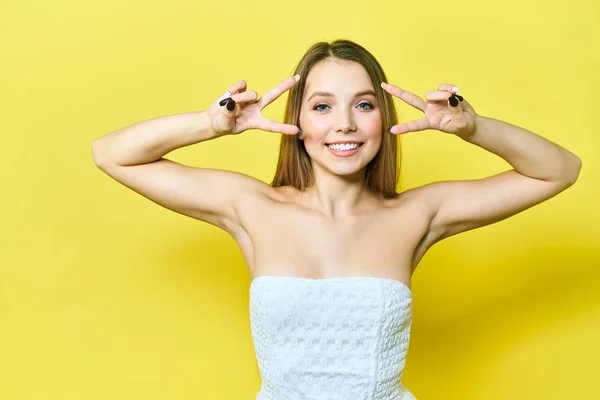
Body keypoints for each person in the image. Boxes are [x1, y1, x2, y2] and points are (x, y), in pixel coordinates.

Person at [91, 39, 582, 399]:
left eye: (363, 105)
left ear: (382, 119)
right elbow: (112, 154)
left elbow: (558, 171)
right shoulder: (253, 207)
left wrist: (472, 127)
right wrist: (211, 124)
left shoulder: (416, 215)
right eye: (322, 106)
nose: (344, 123)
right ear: (298, 122)